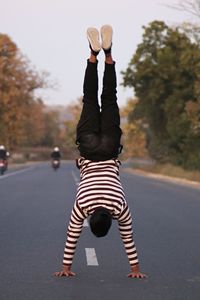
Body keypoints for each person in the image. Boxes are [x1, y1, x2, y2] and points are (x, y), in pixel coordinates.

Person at [54, 25, 147, 279]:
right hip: (87, 144)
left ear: (109, 219)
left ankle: (108, 54)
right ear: (92, 217)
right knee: (89, 98)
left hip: (109, 147)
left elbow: (128, 238)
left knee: (109, 98)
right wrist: (65, 268)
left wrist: (136, 269)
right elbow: (72, 236)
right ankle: (92, 56)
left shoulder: (119, 207)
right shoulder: (83, 205)